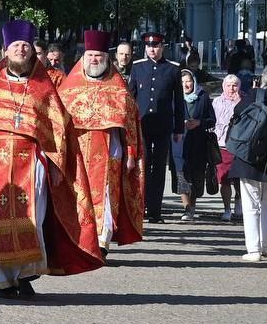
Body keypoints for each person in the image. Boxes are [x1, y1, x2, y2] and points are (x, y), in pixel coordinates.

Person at [0, 18, 104, 297]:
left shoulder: (42, 85)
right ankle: (1, 279)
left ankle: (25, 275)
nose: (22, 50)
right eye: (16, 46)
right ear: (6, 48)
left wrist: (57, 164)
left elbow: (58, 128)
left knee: (32, 218)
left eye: (26, 46)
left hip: (33, 160)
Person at [57, 30, 144, 255]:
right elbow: (58, 123)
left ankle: (102, 241)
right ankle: (81, 239)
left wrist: (131, 154)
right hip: (79, 151)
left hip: (109, 152)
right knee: (78, 196)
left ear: (106, 59)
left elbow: (131, 124)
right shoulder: (69, 88)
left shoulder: (118, 89)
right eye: (90, 56)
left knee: (107, 196)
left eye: (98, 56)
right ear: (83, 58)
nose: (94, 60)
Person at [128, 31, 186, 225]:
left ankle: (155, 210)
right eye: (149, 46)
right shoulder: (138, 67)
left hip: (163, 126)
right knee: (143, 166)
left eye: (155, 46)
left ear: (162, 47)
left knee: (159, 168)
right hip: (142, 124)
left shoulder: (173, 69)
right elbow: (130, 98)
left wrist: (179, 128)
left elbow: (178, 101)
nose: (151, 49)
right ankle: (141, 206)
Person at [225, 63, 267, 261]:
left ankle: (253, 250)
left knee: (250, 203)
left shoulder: (256, 95)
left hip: (249, 157)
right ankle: (266, 246)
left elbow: (237, 114)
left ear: (263, 78)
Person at [171, 69, 216, 222]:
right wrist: (179, 124)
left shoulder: (203, 97)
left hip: (198, 142)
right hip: (179, 141)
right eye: (182, 82)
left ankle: (193, 205)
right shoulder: (175, 97)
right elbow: (168, 116)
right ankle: (187, 208)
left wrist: (199, 123)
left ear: (194, 81)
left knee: (197, 176)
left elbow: (212, 119)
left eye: (188, 81)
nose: (185, 85)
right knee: (181, 174)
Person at [212, 74, 246, 223]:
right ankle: (227, 208)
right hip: (222, 145)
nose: (231, 88)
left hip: (240, 145)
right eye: (228, 85)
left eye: (235, 85)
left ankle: (239, 201)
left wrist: (239, 103)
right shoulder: (216, 102)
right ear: (223, 86)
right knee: (224, 178)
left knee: (240, 178)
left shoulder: (245, 101)